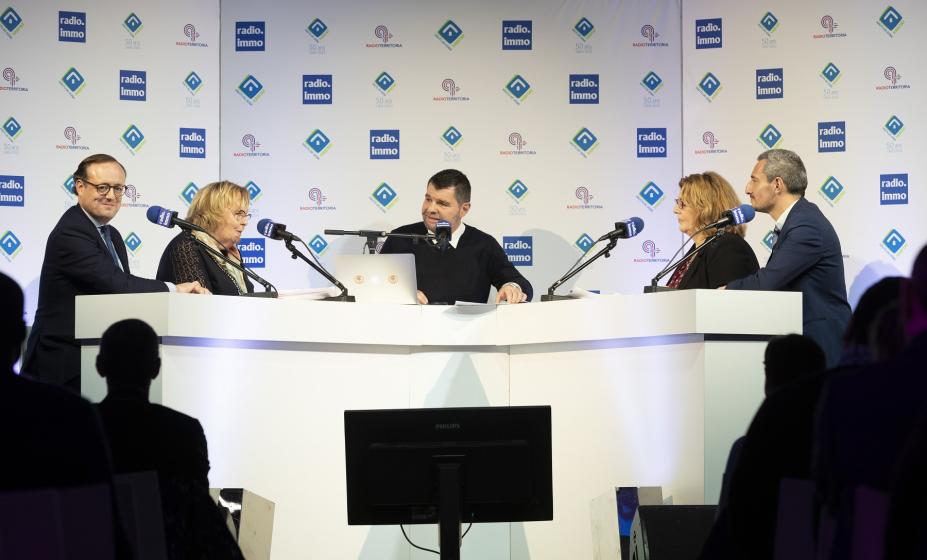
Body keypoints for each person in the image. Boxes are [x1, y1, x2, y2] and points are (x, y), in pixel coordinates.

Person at [22, 154, 207, 392]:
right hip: (63, 365)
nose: (111, 195)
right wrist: (174, 288)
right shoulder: (71, 232)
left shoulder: (113, 235)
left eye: (118, 188)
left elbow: (121, 298)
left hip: (96, 360)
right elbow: (118, 285)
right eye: (102, 187)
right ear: (80, 187)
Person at [95, 318, 243, 559]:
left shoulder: (78, 426)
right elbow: (198, 509)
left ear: (100, 365)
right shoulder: (184, 430)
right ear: (156, 368)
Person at [725, 149, 851, 368]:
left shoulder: (806, 226)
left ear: (777, 185)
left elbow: (768, 282)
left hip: (823, 348)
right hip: (806, 347)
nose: (747, 189)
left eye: (754, 180)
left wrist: (725, 291)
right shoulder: (798, 221)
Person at [379, 169, 532, 304]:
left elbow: (521, 284)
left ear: (464, 209)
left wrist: (512, 287)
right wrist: (399, 296)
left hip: (468, 334)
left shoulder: (483, 244)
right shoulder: (399, 238)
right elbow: (374, 287)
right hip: (411, 333)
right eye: (428, 199)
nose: (431, 208)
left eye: (442, 203)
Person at [157, 181, 255, 295]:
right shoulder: (186, 245)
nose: (245, 222)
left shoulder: (231, 254)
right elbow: (199, 305)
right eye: (239, 214)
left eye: (246, 215)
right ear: (213, 213)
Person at [666, 172, 759, 289]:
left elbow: (730, 303)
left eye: (682, 204)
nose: (675, 210)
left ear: (706, 207)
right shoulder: (698, 249)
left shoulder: (727, 247)